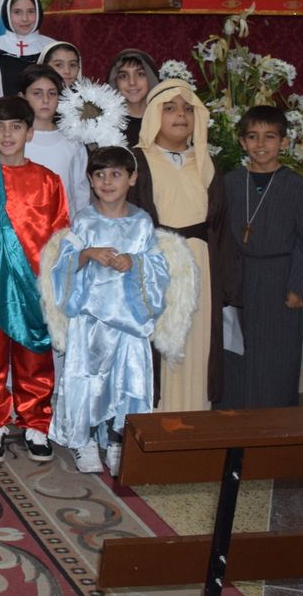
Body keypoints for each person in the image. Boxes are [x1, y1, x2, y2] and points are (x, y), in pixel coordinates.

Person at [40, 145, 192, 475]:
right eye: (100, 175)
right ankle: (84, 441)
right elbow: (62, 267)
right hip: (90, 320)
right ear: (91, 181)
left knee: (128, 383)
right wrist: (87, 254)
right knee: (88, 381)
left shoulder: (141, 223)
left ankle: (118, 439)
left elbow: (158, 267)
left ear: (132, 178)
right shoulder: (84, 222)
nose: (108, 182)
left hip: (129, 321)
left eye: (116, 174)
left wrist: (133, 262)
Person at [0, 95, 70, 463]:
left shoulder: (48, 181)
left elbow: (60, 234)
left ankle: (36, 423)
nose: (7, 134)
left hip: (36, 285)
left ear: (29, 131)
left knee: (34, 356)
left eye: (15, 127)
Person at [131, 78, 239, 411]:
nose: (181, 115)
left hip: (201, 267)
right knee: (159, 348)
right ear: (153, 117)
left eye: (188, 108)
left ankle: (195, 426)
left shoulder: (206, 163)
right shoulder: (138, 161)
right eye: (170, 108)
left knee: (197, 343)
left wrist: (226, 284)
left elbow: (220, 227)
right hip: (157, 267)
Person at [216, 106, 303, 409]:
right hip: (239, 278)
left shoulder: (295, 185)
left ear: (284, 143)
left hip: (279, 278)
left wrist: (299, 287)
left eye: (269, 137)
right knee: (236, 355)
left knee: (276, 356)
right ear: (241, 141)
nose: (261, 145)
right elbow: (220, 235)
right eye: (253, 137)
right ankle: (235, 429)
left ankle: (275, 425)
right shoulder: (231, 182)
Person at [0, 66, 89, 222]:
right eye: (37, 93)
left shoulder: (72, 142)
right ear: (22, 97)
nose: (45, 100)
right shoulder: (7, 140)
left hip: (60, 232)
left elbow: (80, 194)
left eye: (52, 93)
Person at [0, 0, 56, 103]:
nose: (25, 18)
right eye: (17, 12)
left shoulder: (52, 48)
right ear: (7, 13)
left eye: (31, 11)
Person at [109, 49, 158, 147]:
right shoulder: (106, 125)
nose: (132, 82)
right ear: (115, 82)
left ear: (151, 78)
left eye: (140, 74)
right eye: (123, 76)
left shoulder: (164, 121)